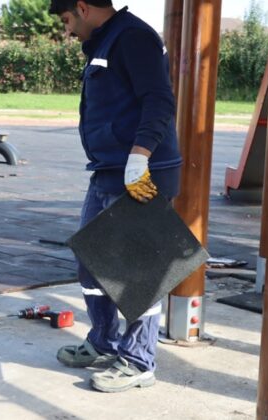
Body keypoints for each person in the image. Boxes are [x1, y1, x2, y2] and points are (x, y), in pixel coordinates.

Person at [49, 0, 183, 392]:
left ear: (82, 7)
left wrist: (140, 156)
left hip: (144, 173)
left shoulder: (134, 38)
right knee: (91, 258)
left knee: (138, 272)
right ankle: (104, 341)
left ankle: (139, 361)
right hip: (109, 171)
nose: (68, 30)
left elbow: (158, 99)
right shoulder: (107, 42)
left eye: (67, 20)